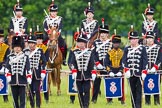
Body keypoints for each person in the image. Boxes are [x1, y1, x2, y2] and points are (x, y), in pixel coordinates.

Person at [122, 28, 148, 108]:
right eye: (131, 39)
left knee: (139, 91)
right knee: (132, 91)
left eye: (134, 39)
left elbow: (145, 61)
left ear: (137, 39)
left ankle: (138, 106)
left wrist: (144, 71)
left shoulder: (142, 48)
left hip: (139, 74)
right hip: (130, 74)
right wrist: (126, 70)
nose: (133, 41)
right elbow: (124, 61)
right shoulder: (127, 49)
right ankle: (134, 106)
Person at [70, 33, 96, 108]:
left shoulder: (89, 52)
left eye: (82, 42)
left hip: (87, 75)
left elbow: (92, 63)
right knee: (80, 92)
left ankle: (86, 105)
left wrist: (93, 71)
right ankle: (82, 105)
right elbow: (72, 62)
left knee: (87, 91)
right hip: (78, 75)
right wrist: (74, 70)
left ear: (85, 43)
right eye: (79, 42)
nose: (81, 44)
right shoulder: (74, 52)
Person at [5, 36, 31, 108]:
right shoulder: (10, 57)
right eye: (15, 46)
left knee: (23, 100)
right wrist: (8, 75)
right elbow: (7, 68)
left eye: (19, 46)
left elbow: (28, 68)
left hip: (22, 81)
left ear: (21, 47)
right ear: (13, 47)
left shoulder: (25, 57)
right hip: (13, 81)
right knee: (15, 100)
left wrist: (29, 77)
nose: (17, 48)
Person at [91, 21, 112, 103]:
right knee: (96, 84)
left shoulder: (110, 43)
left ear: (107, 34)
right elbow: (93, 54)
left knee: (109, 82)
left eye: (105, 33)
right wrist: (97, 63)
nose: (103, 35)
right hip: (98, 66)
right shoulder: (95, 43)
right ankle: (94, 99)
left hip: (108, 66)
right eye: (101, 33)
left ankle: (109, 100)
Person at [24, 35, 46, 108]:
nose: (31, 44)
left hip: (37, 73)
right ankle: (32, 105)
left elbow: (44, 61)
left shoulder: (39, 50)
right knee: (30, 92)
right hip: (28, 74)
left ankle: (38, 105)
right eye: (29, 43)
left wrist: (43, 71)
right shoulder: (25, 51)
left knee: (37, 90)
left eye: (32, 43)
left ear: (35, 43)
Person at [43, 1, 67, 65]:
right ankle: (42, 58)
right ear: (50, 12)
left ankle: (64, 59)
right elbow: (45, 27)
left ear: (57, 12)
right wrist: (48, 31)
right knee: (42, 43)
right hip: (48, 35)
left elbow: (61, 26)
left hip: (57, 35)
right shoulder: (46, 19)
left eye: (55, 11)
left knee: (64, 44)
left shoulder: (59, 18)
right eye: (52, 11)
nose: (53, 13)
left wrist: (58, 32)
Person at [104, 34, 125, 104]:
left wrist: (121, 71)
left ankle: (122, 100)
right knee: (109, 85)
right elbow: (106, 63)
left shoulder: (122, 52)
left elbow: (124, 63)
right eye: (115, 43)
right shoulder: (109, 52)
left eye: (117, 43)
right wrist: (109, 71)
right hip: (111, 70)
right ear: (112, 44)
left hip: (119, 70)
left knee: (121, 86)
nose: (116, 45)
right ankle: (109, 100)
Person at [144, 31, 161, 105]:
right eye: (148, 38)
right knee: (146, 86)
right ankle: (147, 103)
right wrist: (145, 68)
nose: (150, 40)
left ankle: (156, 102)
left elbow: (160, 58)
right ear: (146, 39)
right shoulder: (143, 48)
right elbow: (143, 59)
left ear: (153, 39)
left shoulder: (158, 47)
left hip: (155, 71)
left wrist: (155, 67)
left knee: (156, 86)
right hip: (146, 71)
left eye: (151, 38)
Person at [35, 31, 49, 103]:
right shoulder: (33, 47)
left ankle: (46, 98)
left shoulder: (45, 48)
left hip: (42, 66)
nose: (39, 40)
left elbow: (46, 59)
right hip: (34, 67)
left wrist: (43, 67)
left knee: (44, 83)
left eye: (40, 39)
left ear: (42, 40)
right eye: (37, 39)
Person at [0, 29, 10, 102]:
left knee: (3, 82)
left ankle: (5, 98)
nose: (1, 39)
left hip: (2, 65)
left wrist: (5, 65)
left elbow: (7, 57)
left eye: (1, 38)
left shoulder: (6, 47)